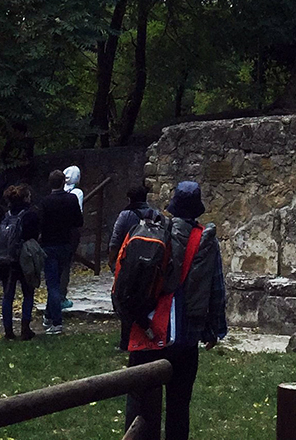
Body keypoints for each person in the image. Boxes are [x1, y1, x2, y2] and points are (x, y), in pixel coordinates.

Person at [125, 180, 227, 440]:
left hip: (146, 327)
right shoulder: (206, 241)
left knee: (140, 402)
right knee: (179, 406)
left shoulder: (152, 231)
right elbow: (216, 289)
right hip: (185, 333)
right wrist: (213, 330)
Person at [109, 183, 165, 351]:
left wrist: (112, 260)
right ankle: (146, 334)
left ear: (129, 198)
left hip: (129, 265)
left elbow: (116, 238)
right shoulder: (155, 214)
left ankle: (126, 340)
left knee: (125, 299)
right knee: (146, 299)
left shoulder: (125, 215)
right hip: (150, 265)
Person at [37, 169, 83, 336]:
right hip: (65, 244)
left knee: (52, 285)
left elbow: (39, 225)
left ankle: (56, 321)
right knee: (58, 282)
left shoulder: (45, 202)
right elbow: (79, 221)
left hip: (49, 245)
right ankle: (49, 316)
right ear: (64, 182)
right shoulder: (71, 199)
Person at [0, 184, 40, 340]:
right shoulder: (30, 215)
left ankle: (8, 330)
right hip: (23, 258)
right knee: (28, 293)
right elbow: (34, 235)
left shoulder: (6, 215)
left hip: (6, 259)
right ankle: (25, 328)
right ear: (25, 198)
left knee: (8, 296)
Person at [59, 165, 85, 310]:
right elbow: (78, 214)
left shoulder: (57, 192)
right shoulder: (77, 193)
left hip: (55, 232)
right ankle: (61, 296)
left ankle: (55, 295)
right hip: (70, 233)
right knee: (65, 265)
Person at [0, 121, 34, 203]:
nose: (14, 134)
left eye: (16, 131)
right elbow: (3, 155)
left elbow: (29, 157)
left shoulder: (28, 143)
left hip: (19, 172)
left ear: (21, 132)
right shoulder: (10, 142)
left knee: (12, 190)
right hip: (6, 169)